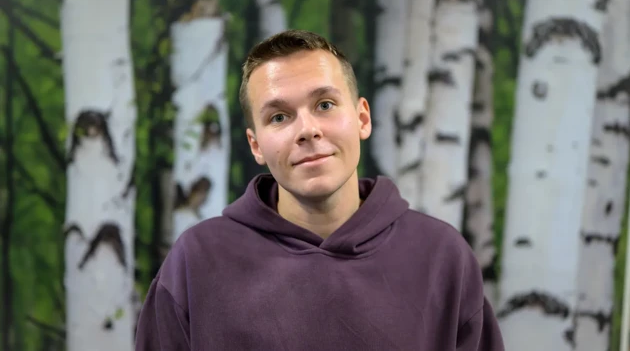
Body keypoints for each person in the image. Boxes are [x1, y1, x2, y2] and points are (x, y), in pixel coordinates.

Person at [134, 29, 505, 350]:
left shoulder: (441, 256)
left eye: (325, 104)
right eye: (279, 117)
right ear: (256, 145)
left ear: (362, 118)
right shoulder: (195, 262)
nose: (308, 129)